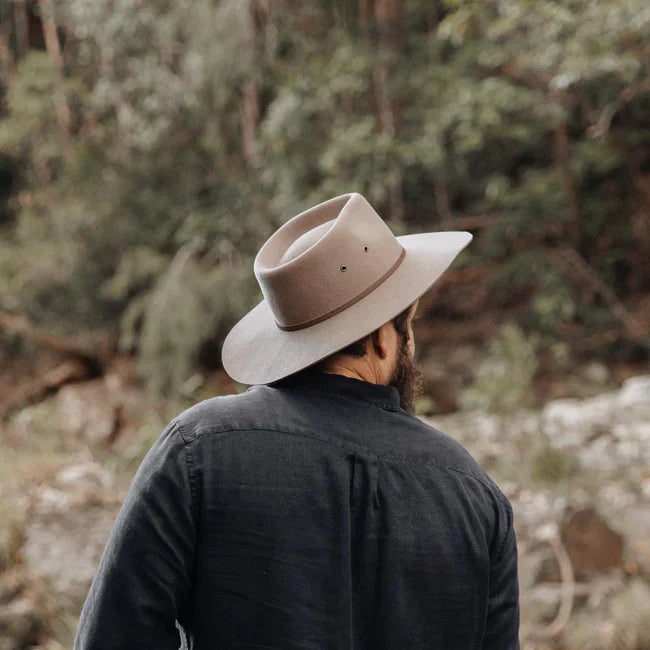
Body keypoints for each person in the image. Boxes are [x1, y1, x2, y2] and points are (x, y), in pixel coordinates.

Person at [74, 192, 520, 649]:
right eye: (410, 324)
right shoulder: (474, 494)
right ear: (384, 339)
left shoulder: (199, 452)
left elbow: (111, 637)